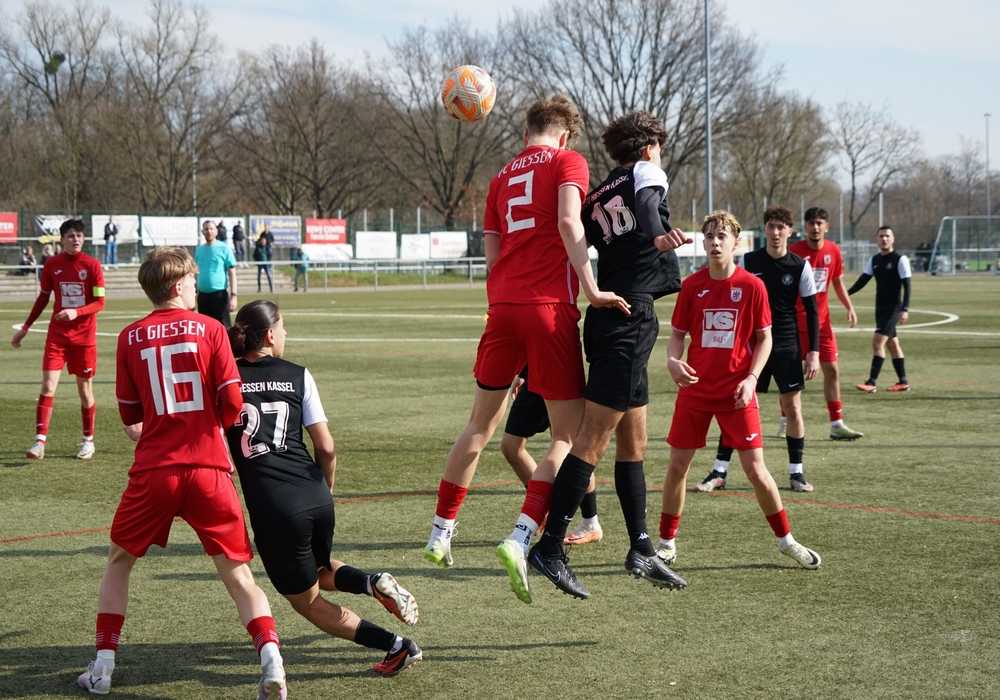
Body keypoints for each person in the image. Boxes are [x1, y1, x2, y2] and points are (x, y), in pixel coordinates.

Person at [421, 95, 628, 607]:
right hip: (548, 308)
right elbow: (569, 222)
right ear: (565, 135)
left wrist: (506, 306)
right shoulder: (567, 161)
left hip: (502, 308)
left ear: (525, 134)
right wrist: (592, 287)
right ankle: (520, 536)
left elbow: (492, 255)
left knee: (478, 426)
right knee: (567, 436)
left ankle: (440, 533)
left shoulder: (499, 178)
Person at [78, 247, 287, 698]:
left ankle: (102, 668)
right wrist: (212, 426)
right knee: (239, 577)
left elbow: (130, 415)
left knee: (119, 562)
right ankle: (271, 659)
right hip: (209, 467)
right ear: (178, 286)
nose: (196, 286)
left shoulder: (129, 336)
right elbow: (232, 402)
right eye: (192, 280)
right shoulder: (211, 328)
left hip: (155, 469)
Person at [527, 110, 691, 599]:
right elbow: (648, 204)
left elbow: (576, 237)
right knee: (590, 441)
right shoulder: (646, 170)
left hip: (609, 316)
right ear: (648, 148)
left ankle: (641, 547)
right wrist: (657, 233)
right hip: (628, 318)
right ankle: (549, 548)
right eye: (658, 150)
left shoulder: (598, 193)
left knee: (633, 442)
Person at [226, 300, 422, 676]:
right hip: (315, 491)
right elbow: (326, 447)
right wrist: (325, 485)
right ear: (270, 335)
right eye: (283, 327)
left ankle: (397, 646)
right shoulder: (298, 374)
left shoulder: (227, 378)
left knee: (308, 602)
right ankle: (371, 582)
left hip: (275, 506)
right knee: (318, 569)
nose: (286, 333)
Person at [655, 210, 821, 572]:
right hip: (695, 390)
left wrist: (751, 378)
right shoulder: (692, 285)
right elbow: (677, 335)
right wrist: (672, 361)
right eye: (709, 236)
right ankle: (666, 545)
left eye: (722, 237)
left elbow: (765, 339)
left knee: (756, 471)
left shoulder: (751, 286)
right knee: (677, 467)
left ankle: (786, 541)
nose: (715, 242)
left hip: (736, 393)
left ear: (736, 243)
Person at [695, 204, 821, 493]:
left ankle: (796, 473)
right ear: (764, 230)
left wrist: (813, 352)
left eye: (781, 227)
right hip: (752, 344)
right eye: (771, 226)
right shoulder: (749, 261)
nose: (775, 232)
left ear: (790, 232)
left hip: (786, 344)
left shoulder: (800, 266)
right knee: (735, 404)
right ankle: (719, 472)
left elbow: (812, 311)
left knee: (792, 408)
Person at [11, 219, 105, 461]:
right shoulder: (52, 264)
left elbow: (100, 302)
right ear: (62, 240)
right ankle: (39, 442)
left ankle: (88, 441)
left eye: (79, 235)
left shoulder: (93, 265)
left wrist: (77, 312)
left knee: (84, 391)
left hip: (84, 339)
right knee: (47, 386)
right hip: (57, 337)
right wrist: (26, 327)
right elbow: (43, 298)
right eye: (71, 236)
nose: (76, 239)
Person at [500, 367, 603, 545]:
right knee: (511, 445)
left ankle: (590, 523)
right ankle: (542, 509)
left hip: (562, 374)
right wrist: (524, 372)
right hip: (536, 375)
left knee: (572, 447)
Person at [786, 207, 863, 441]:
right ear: (805, 227)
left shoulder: (833, 250)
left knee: (832, 370)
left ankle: (836, 424)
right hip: (794, 324)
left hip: (822, 325)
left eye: (819, 223)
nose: (815, 227)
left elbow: (837, 282)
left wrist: (849, 306)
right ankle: (785, 421)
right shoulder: (794, 252)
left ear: (826, 227)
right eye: (811, 223)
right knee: (790, 375)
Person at [849, 226, 912, 392]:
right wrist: (846, 294)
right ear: (877, 239)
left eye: (887, 236)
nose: (884, 239)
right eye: (881, 236)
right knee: (892, 344)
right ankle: (903, 381)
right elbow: (863, 280)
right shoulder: (875, 260)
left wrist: (904, 309)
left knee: (877, 343)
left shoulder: (900, 259)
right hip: (880, 308)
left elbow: (907, 286)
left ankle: (871, 383)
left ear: (893, 239)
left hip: (893, 309)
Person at [194, 220, 238, 327]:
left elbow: (232, 272)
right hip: (203, 296)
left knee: (224, 328)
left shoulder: (224, 248)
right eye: (206, 229)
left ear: (216, 231)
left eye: (211, 229)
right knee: (205, 328)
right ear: (202, 232)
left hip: (219, 296)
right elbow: (195, 272)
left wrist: (234, 295)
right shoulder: (198, 251)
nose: (209, 231)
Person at [254, 226, 274, 293]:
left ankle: (271, 289)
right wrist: (256, 261)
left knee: (268, 276)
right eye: (262, 241)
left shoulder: (267, 247)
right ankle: (259, 289)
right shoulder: (258, 247)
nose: (263, 242)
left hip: (266, 263)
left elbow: (270, 255)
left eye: (264, 241)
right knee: (259, 277)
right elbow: (255, 255)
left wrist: (269, 261)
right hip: (260, 263)